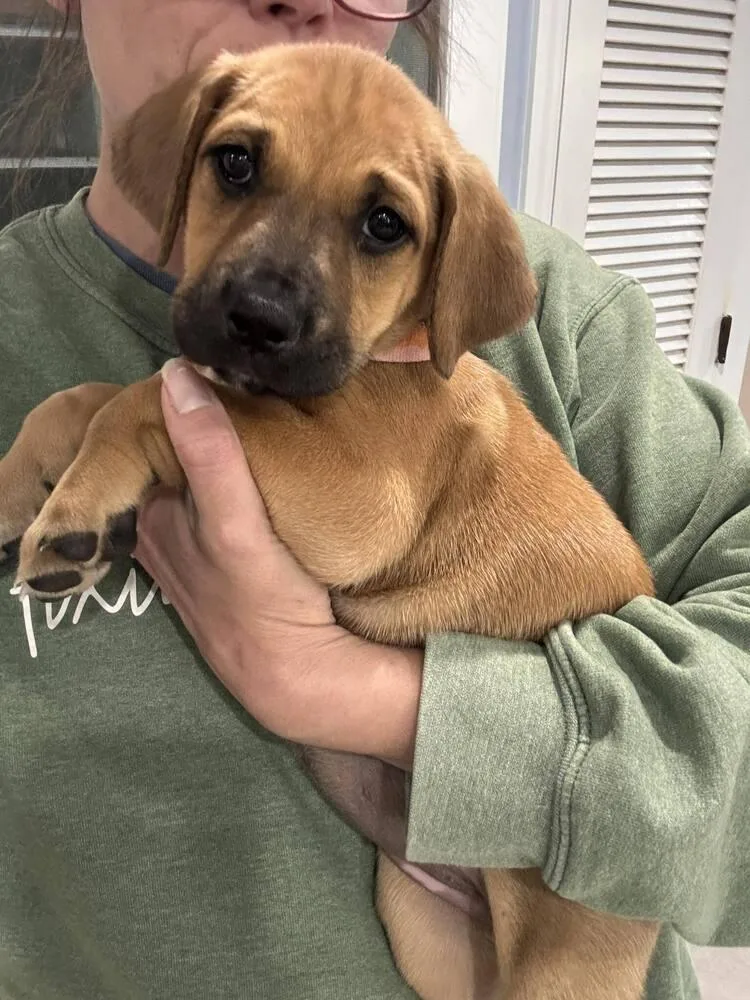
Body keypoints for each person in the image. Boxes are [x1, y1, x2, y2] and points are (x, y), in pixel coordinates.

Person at [0, 1, 748, 997]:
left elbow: (352, 532)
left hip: (555, 878)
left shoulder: (548, 340)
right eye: (237, 167)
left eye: (381, 225)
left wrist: (362, 695)